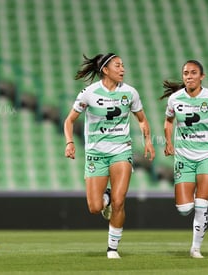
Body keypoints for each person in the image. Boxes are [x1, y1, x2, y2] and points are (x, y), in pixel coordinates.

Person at [64, 53, 155, 258]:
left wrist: (147, 139)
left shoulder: (130, 93)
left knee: (119, 201)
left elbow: (141, 119)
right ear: (105, 70)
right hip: (96, 153)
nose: (122, 69)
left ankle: (112, 248)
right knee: (95, 207)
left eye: (123, 65)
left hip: (121, 150)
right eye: (118, 66)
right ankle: (104, 196)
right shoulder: (89, 93)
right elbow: (69, 121)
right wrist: (70, 142)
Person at [161, 60, 208, 258]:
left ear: (202, 76)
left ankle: (195, 248)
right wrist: (168, 142)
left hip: (207, 155)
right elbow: (168, 121)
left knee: (201, 205)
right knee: (184, 209)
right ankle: (193, 195)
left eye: (193, 73)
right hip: (184, 156)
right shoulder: (175, 99)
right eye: (185, 73)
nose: (189, 76)